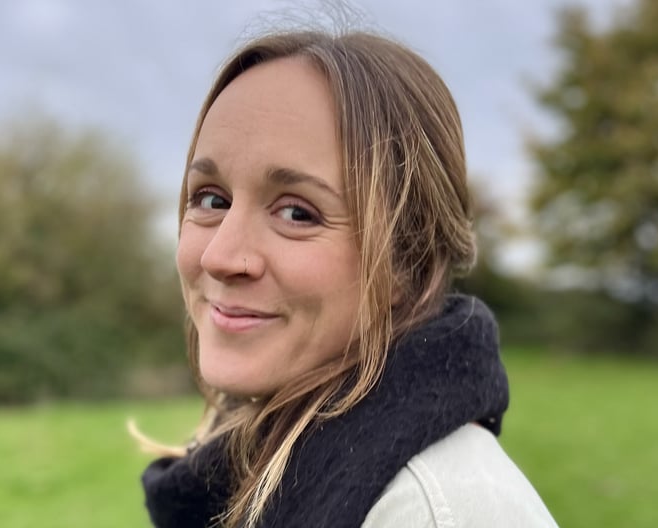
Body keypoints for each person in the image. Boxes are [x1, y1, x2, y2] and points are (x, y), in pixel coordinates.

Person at [140, 27, 558, 528]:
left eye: (297, 213)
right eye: (211, 199)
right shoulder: (244, 464)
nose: (220, 256)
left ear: (409, 260)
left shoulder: (437, 513)